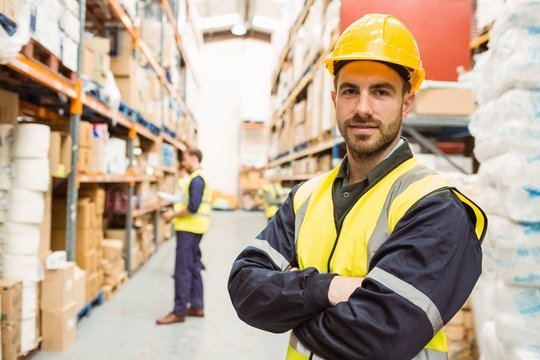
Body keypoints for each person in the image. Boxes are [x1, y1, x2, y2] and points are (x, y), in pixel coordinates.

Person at [228, 14, 487, 359]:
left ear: (406, 103)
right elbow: (246, 289)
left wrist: (291, 304)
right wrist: (327, 288)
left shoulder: (435, 206)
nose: (363, 108)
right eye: (351, 91)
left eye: (381, 92)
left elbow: (380, 338)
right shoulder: (306, 197)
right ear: (335, 100)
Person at [157, 148, 212, 325]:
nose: (183, 162)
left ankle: (179, 311)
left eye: (185, 159)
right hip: (195, 228)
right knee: (194, 266)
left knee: (182, 269)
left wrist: (171, 216)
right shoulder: (198, 177)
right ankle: (197, 306)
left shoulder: (196, 179)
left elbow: (192, 207)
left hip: (189, 229)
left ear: (194, 158)